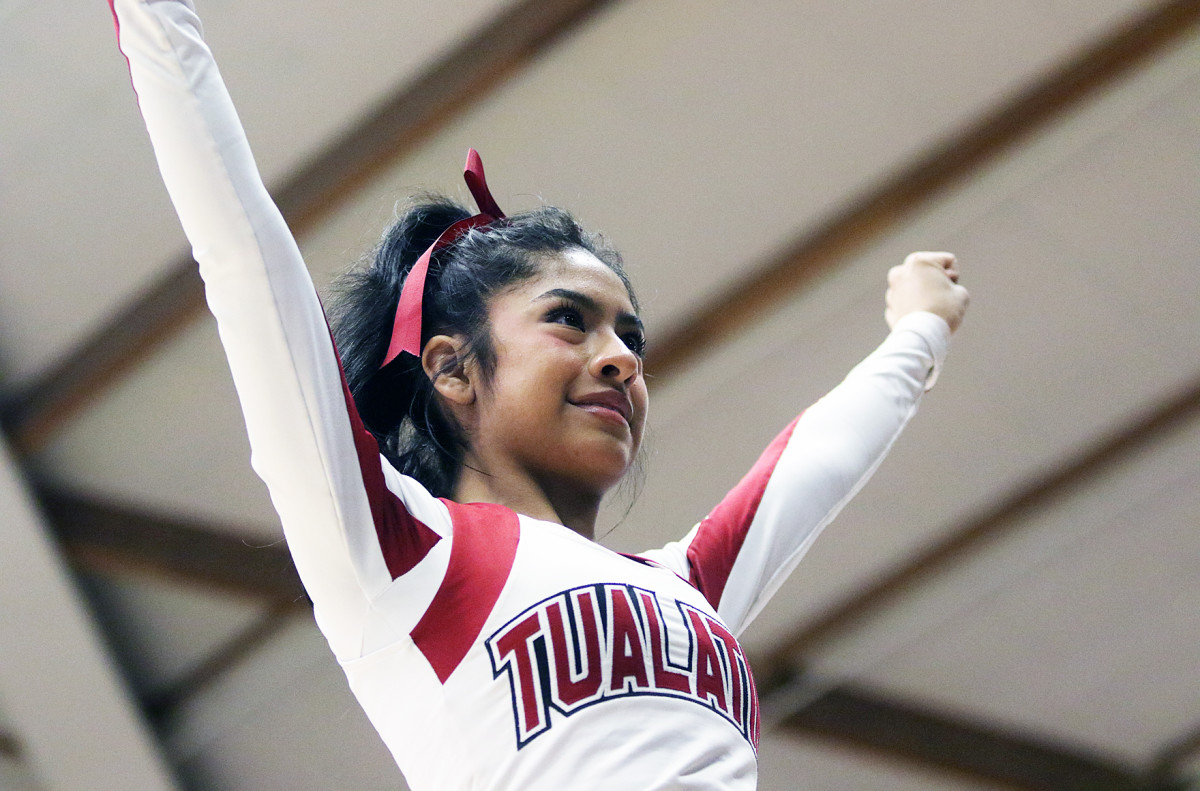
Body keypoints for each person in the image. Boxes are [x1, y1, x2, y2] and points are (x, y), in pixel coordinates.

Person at [108, 0, 968, 788]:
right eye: (570, 321)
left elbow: (816, 461)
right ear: (451, 368)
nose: (621, 360)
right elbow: (243, 255)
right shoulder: (402, 555)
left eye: (631, 337)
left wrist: (918, 333)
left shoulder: (687, 588)